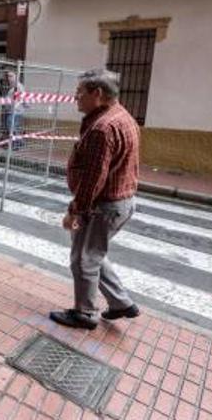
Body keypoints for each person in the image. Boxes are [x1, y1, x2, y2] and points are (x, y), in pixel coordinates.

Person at [49, 69, 140, 329]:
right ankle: (122, 303)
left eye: (80, 93)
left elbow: (92, 180)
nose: (75, 97)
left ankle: (84, 313)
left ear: (97, 94)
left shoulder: (103, 128)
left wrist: (74, 211)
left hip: (103, 205)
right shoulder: (121, 116)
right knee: (93, 253)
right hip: (120, 201)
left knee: (84, 259)